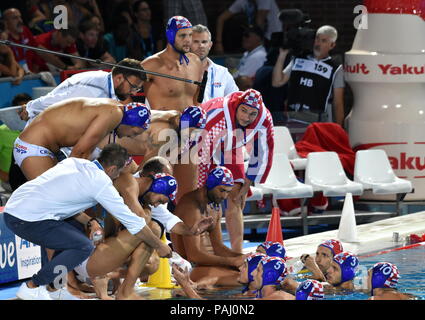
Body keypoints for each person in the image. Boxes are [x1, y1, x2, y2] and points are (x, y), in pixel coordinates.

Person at [3, 143, 172, 300]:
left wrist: (89, 220)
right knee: (82, 246)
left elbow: (64, 199)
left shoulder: (75, 163)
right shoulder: (101, 183)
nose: (119, 176)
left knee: (72, 232)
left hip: (15, 207)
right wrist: (160, 245)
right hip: (28, 218)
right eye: (119, 172)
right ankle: (32, 286)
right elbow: (134, 223)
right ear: (113, 169)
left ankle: (54, 288)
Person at [198, 88, 274, 252]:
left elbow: (264, 150)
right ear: (237, 106)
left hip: (232, 145)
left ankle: (237, 252)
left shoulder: (264, 118)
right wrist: (202, 186)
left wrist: (248, 181)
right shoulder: (217, 114)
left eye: (252, 114)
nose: (246, 117)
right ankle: (208, 249)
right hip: (202, 142)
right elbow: (201, 153)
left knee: (237, 197)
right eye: (244, 111)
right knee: (207, 197)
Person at [141, 15, 203, 201]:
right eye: (182, 36)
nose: (188, 41)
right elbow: (125, 95)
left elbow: (195, 99)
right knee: (152, 195)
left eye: (190, 35)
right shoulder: (150, 65)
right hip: (162, 135)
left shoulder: (195, 62)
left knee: (188, 196)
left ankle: (183, 230)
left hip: (188, 135)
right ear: (170, 36)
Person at [13, 98, 150, 180]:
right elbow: (79, 153)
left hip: (47, 148)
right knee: (57, 199)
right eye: (134, 132)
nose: (131, 137)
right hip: (33, 146)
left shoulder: (113, 107)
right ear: (130, 122)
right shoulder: (114, 114)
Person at [171, 166, 249, 286]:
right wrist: (233, 261)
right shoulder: (192, 207)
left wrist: (245, 258)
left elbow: (218, 247)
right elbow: (193, 255)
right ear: (210, 185)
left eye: (228, 192)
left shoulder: (215, 206)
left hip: (209, 265)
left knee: (252, 273)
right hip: (190, 268)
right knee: (242, 280)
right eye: (222, 190)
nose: (224, 196)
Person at [21, 58, 145, 122]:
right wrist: (30, 109)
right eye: (133, 87)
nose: (134, 93)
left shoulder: (108, 88)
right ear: (119, 78)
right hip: (41, 140)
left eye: (138, 89)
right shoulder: (93, 90)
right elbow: (55, 102)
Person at [271, 25, 345, 126]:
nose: (318, 43)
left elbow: (338, 103)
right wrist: (282, 54)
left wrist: (339, 129)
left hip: (315, 123)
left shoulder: (336, 67)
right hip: (292, 118)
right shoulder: (299, 58)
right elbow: (277, 82)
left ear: (332, 45)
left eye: (323, 41)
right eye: (317, 39)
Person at [190, 24, 239, 103]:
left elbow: (235, 101)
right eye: (196, 42)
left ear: (210, 45)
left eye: (204, 42)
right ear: (188, 44)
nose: (201, 46)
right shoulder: (179, 71)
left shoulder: (222, 72)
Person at [214, 0, 282, 54]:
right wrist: (219, 43)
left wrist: (257, 42)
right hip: (257, 37)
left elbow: (260, 22)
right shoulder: (242, 1)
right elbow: (221, 19)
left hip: (273, 36)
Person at [3, 7, 43, 73]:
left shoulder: (25, 31)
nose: (20, 20)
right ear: (6, 22)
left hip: (32, 76)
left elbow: (36, 54)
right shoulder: (3, 39)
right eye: (15, 18)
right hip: (15, 78)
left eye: (20, 17)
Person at [232, 25, 267, 91]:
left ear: (258, 38)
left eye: (247, 35)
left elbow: (242, 79)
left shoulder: (258, 55)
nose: (244, 38)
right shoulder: (248, 53)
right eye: (243, 35)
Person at [0, 19, 25, 84]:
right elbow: (13, 74)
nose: (8, 32)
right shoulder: (8, 52)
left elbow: (20, 69)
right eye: (6, 31)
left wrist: (20, 76)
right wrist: (10, 53)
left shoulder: (5, 51)